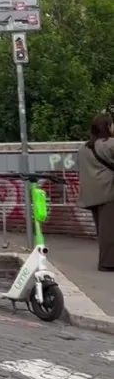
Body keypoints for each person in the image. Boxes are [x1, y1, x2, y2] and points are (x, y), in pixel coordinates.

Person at [77, 113, 114, 270]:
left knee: (103, 230)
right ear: (107, 126)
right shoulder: (110, 144)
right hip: (109, 192)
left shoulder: (83, 148)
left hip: (91, 194)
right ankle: (107, 263)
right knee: (110, 232)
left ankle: (107, 260)